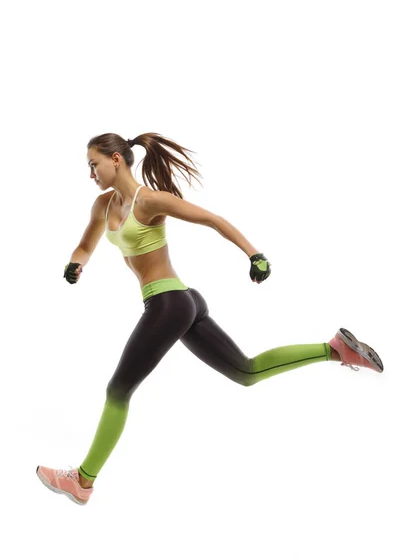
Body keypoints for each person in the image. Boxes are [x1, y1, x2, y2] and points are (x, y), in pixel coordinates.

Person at [36, 132, 384, 506]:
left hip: (169, 303)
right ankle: (335, 351)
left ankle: (82, 481)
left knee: (117, 391)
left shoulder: (150, 200)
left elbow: (213, 220)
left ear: (116, 160)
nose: (91, 173)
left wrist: (254, 255)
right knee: (246, 372)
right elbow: (87, 244)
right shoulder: (103, 205)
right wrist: (77, 263)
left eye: (94, 164)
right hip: (181, 303)